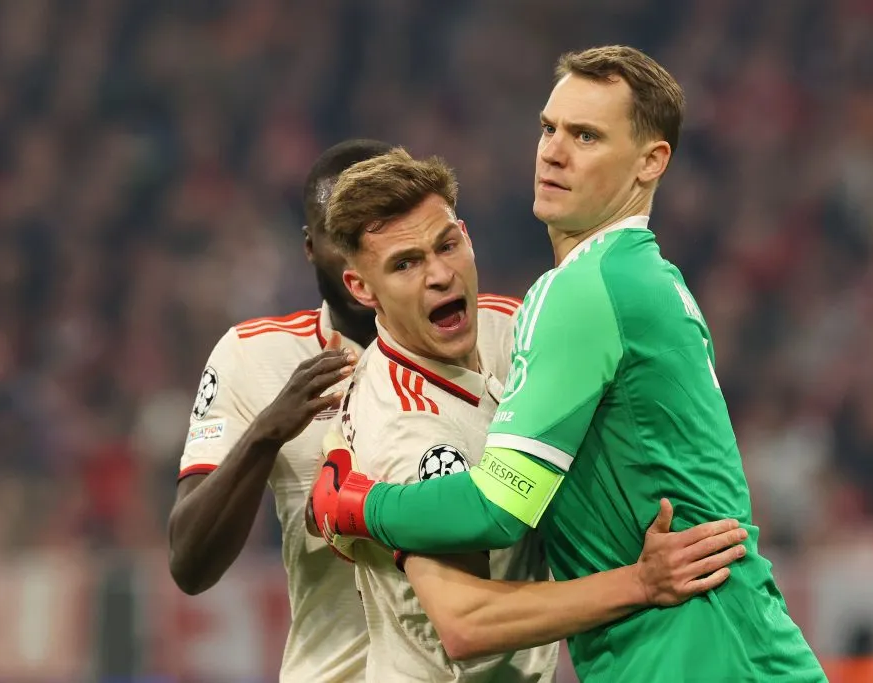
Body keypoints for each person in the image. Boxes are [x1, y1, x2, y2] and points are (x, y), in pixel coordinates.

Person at [311, 47, 828, 682]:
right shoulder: (642, 281)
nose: (553, 152)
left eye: (585, 136)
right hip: (720, 643)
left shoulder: (579, 292)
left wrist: (357, 508)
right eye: (548, 129)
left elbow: (499, 508)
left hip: (698, 652)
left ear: (651, 162)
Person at [167, 139, 394, 683]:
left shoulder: (496, 339)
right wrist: (265, 433)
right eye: (339, 230)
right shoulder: (252, 357)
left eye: (378, 224)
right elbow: (190, 564)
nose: (359, 247)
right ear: (309, 245)